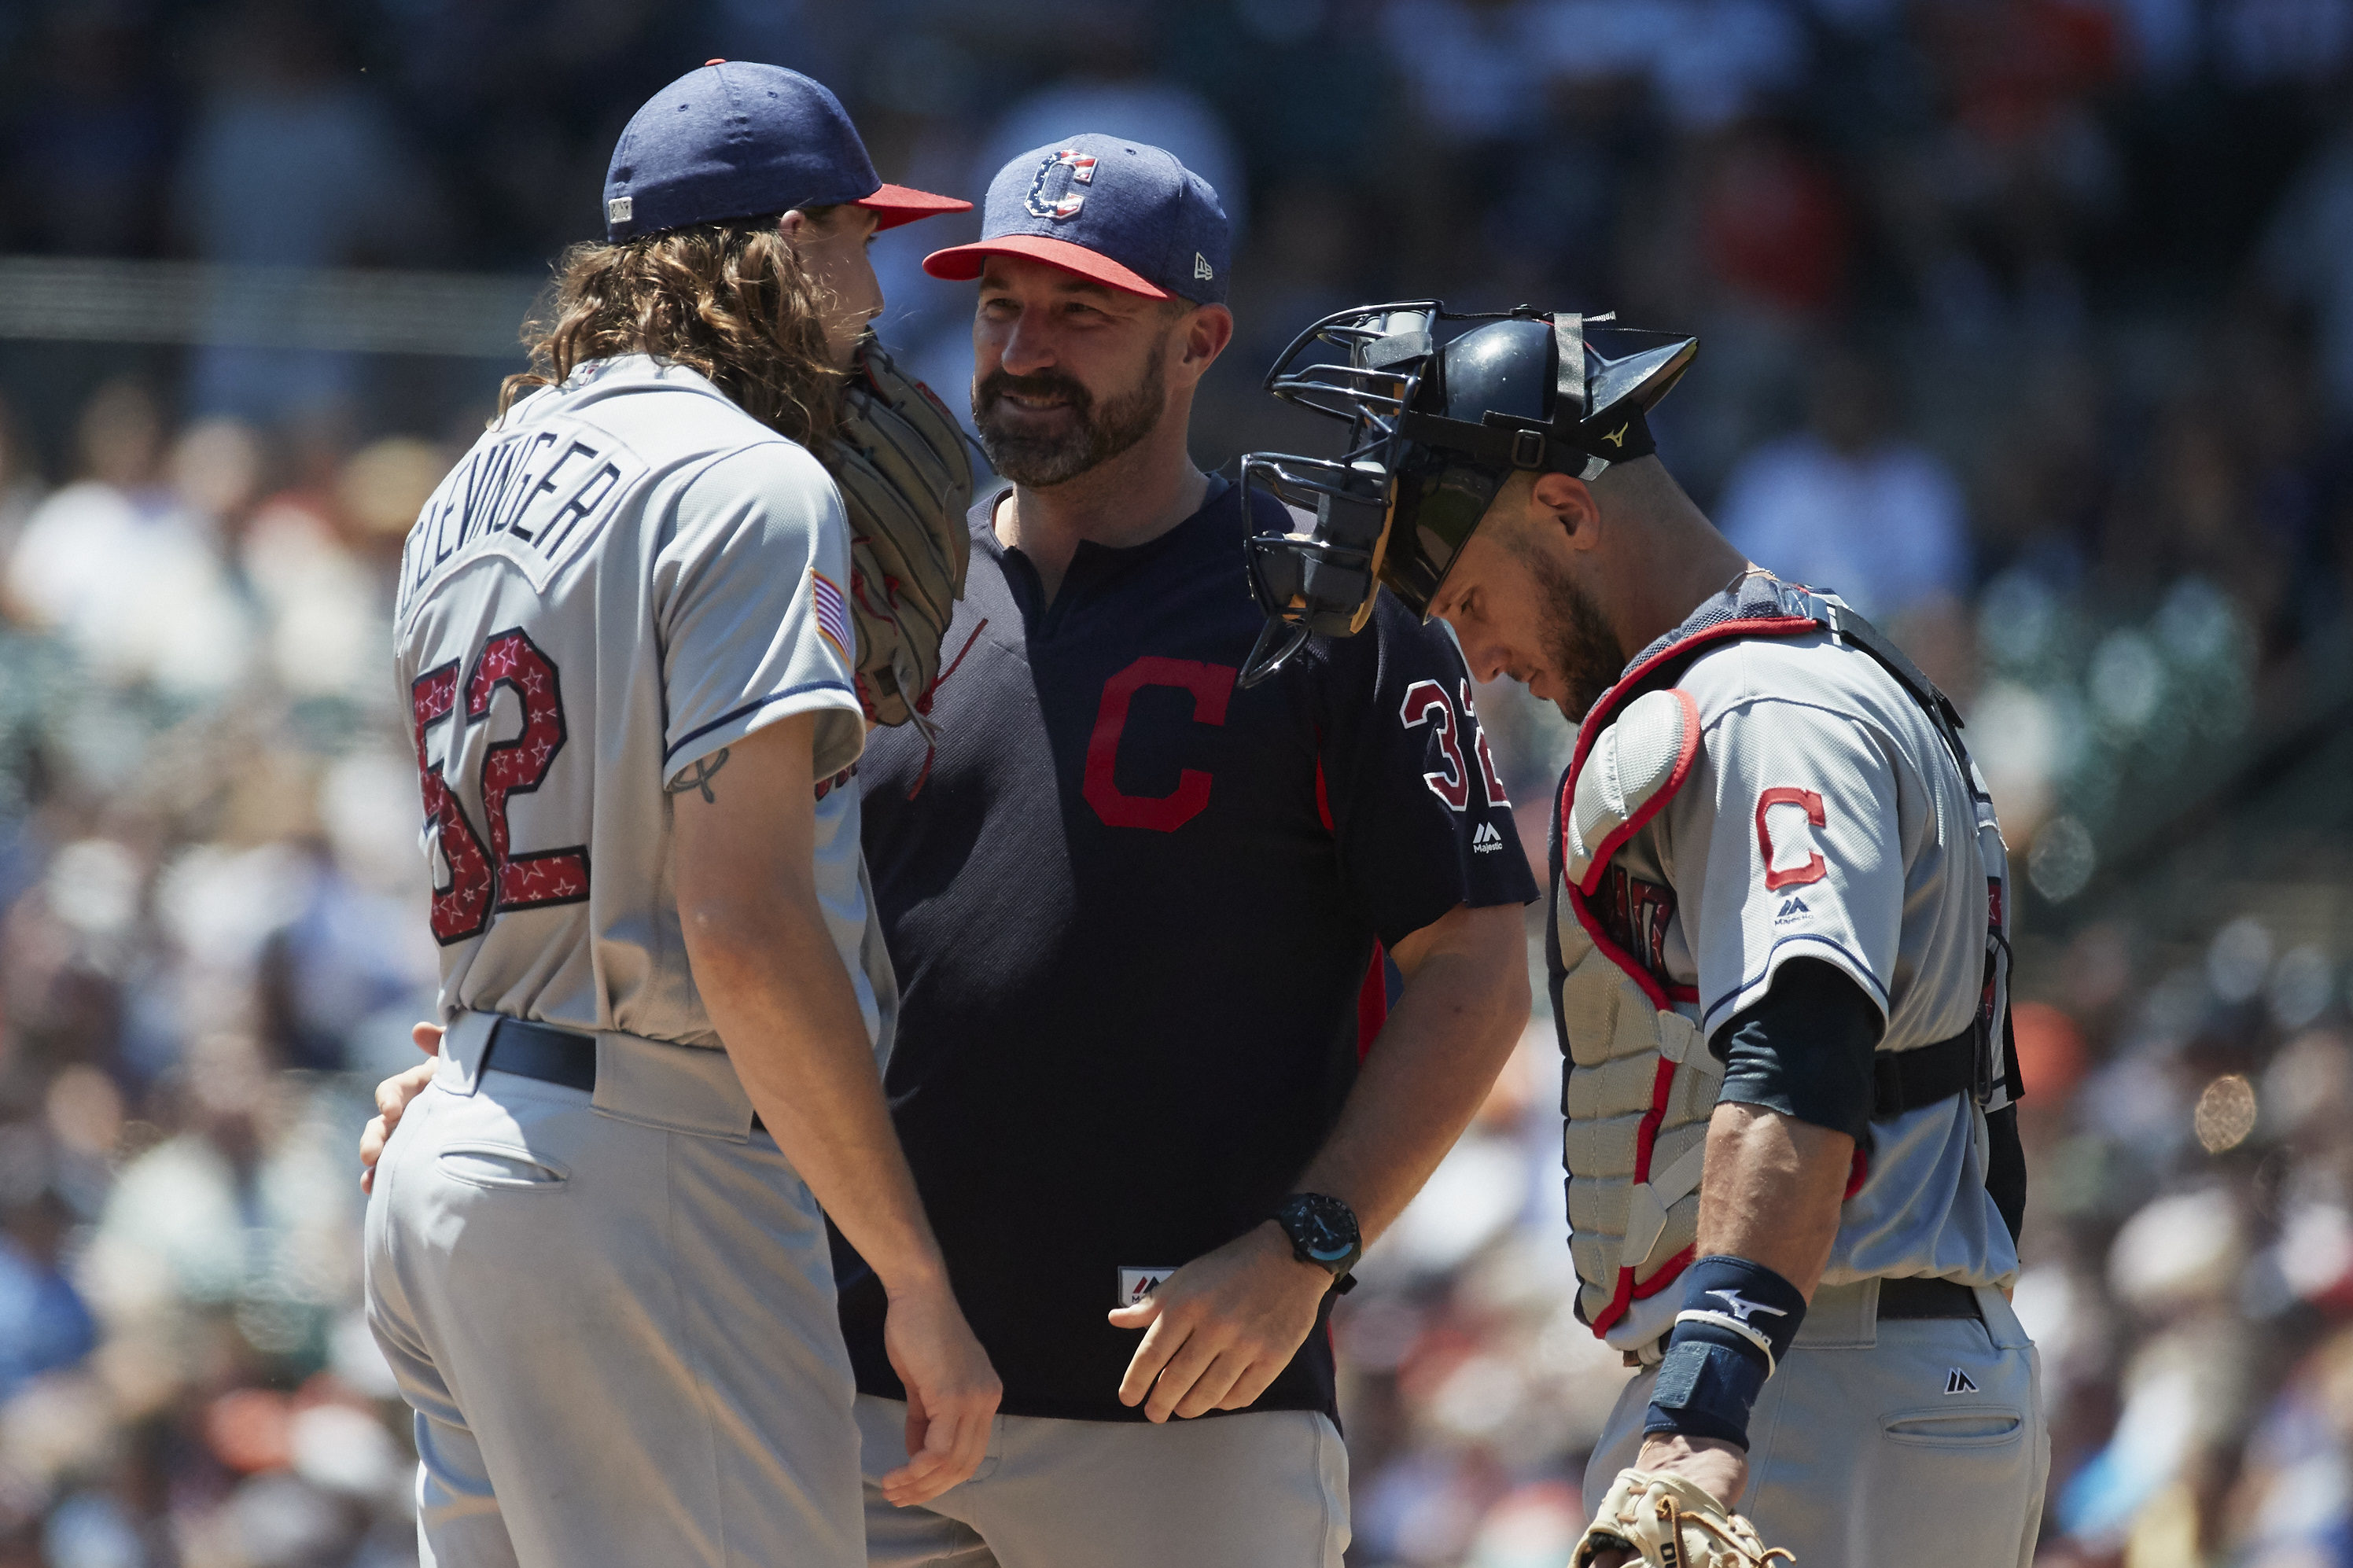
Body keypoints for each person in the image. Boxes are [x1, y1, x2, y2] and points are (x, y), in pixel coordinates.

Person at [366, 134, 1538, 1567]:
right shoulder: (861, 585)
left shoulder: (1328, 607)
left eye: (1083, 313)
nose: (1026, 350)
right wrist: (503, 1064)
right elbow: (710, 914)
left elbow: (1476, 959)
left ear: (1200, 342)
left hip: (1185, 1400)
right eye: (999, 307)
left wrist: (1311, 1244)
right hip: (863, 1385)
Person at [1240, 305, 2045, 1566]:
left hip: (1815, 1374)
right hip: (1824, 1366)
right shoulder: (1748, 681)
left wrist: (1707, 1404)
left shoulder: (1766, 705)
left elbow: (1802, 1060)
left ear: (1566, 509)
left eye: (1471, 597)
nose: (1480, 655)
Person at [363, 62, 998, 1568]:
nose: (874, 285)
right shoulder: (751, 482)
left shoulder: (463, 486)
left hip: (457, 1155)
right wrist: (913, 1272)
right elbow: (744, 921)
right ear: (780, 244)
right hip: (647, 1176)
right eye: (856, 238)